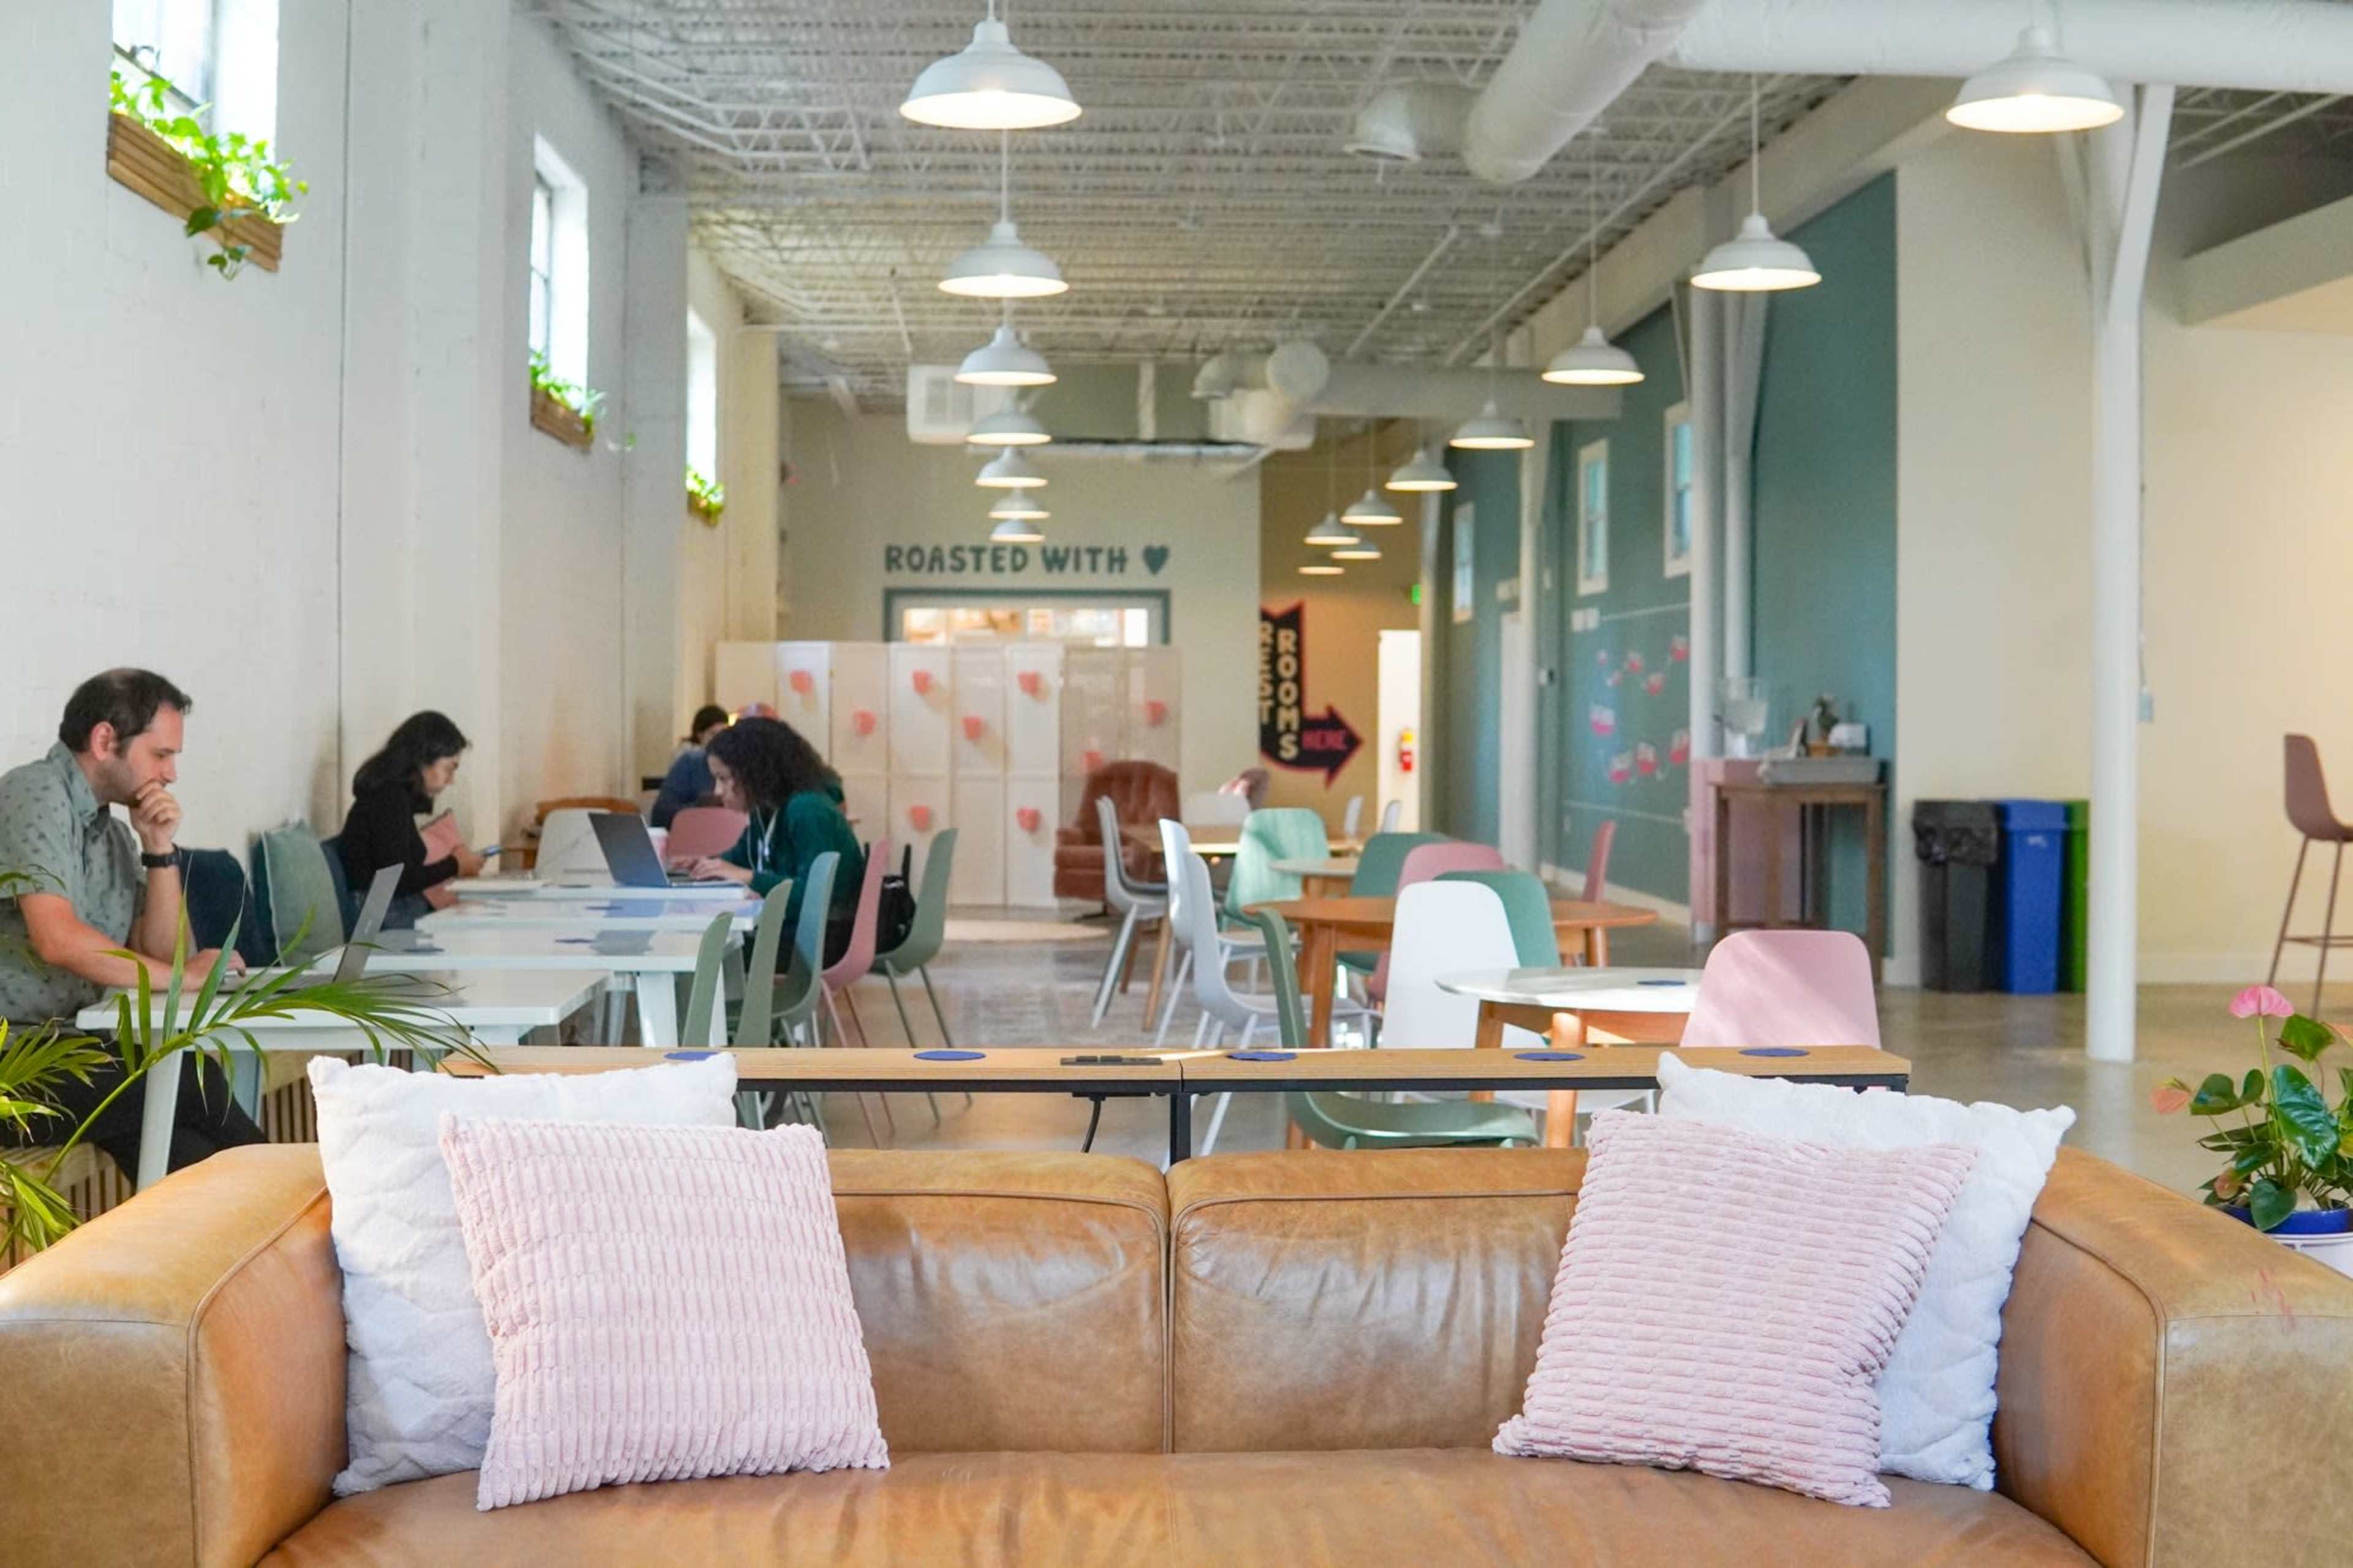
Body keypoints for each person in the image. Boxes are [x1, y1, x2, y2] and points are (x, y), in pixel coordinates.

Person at [0, 669, 263, 1179]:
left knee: (182, 1147)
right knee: (186, 1078)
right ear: (105, 741)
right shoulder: (36, 793)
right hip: (14, 1065)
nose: (171, 774)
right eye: (161, 754)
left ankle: (287, 1223)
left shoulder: (114, 836)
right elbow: (57, 939)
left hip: (65, 1052)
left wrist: (159, 849)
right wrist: (187, 978)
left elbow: (162, 954)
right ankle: (324, 1214)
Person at [684, 717, 863, 962]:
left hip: (823, 938)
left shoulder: (808, 810)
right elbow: (739, 858)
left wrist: (749, 877)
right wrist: (705, 865)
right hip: (797, 930)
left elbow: (815, 896)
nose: (717, 791)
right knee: (706, 943)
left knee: (704, 948)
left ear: (755, 772)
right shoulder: (766, 810)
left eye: (723, 779)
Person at [339, 712, 483, 929]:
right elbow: (399, 880)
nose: (451, 780)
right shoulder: (388, 799)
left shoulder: (393, 797)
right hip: (376, 917)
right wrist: (456, 864)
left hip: (383, 910)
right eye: (449, 769)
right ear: (423, 759)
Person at [650, 704, 732, 828]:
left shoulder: (740, 765)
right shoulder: (689, 763)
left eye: (724, 734)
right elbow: (661, 814)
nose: (720, 741)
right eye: (713, 734)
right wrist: (700, 806)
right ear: (700, 735)